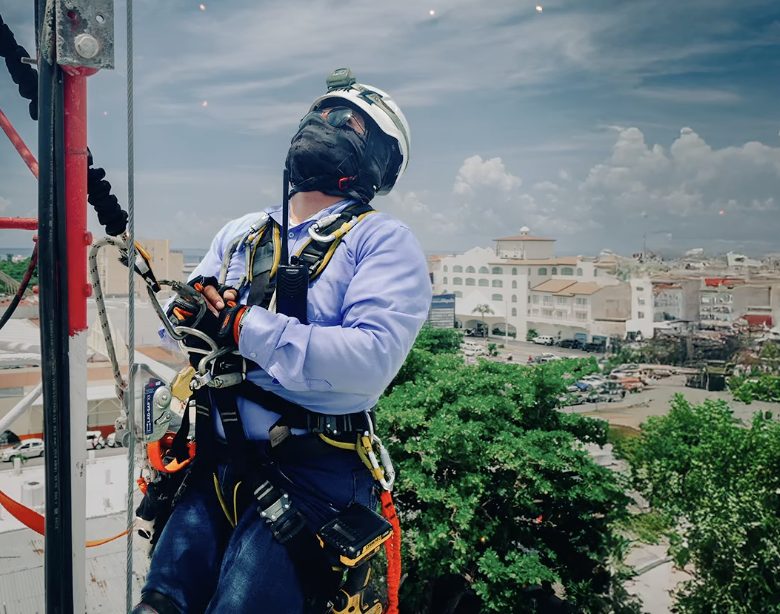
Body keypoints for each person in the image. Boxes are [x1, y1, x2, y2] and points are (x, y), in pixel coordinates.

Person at [133, 68, 431, 613]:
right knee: (159, 605)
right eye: (318, 113)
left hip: (314, 470)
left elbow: (368, 361)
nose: (325, 123)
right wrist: (191, 316)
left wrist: (244, 326)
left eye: (348, 122)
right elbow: (186, 336)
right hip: (216, 461)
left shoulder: (381, 241)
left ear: (381, 161)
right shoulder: (242, 233)